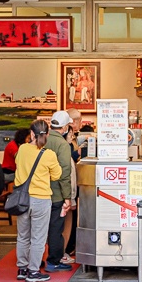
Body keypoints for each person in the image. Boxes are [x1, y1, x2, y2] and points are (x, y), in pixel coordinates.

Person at [16, 119, 62, 282]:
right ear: (47, 135)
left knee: (23, 236)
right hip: (41, 199)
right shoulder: (49, 154)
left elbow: (17, 165)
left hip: (23, 200)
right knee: (38, 238)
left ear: (31, 134)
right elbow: (57, 175)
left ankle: (22, 268)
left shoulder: (22, 149)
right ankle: (33, 271)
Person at [44, 111, 73, 272]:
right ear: (65, 127)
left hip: (40, 192)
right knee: (55, 228)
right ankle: (53, 261)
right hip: (56, 194)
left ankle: (34, 261)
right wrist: (67, 197)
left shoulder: (42, 139)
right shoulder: (62, 145)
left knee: (39, 228)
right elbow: (65, 172)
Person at [60, 108, 82, 264]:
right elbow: (67, 164)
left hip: (64, 188)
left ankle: (64, 249)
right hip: (65, 188)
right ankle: (63, 251)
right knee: (65, 219)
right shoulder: (64, 144)